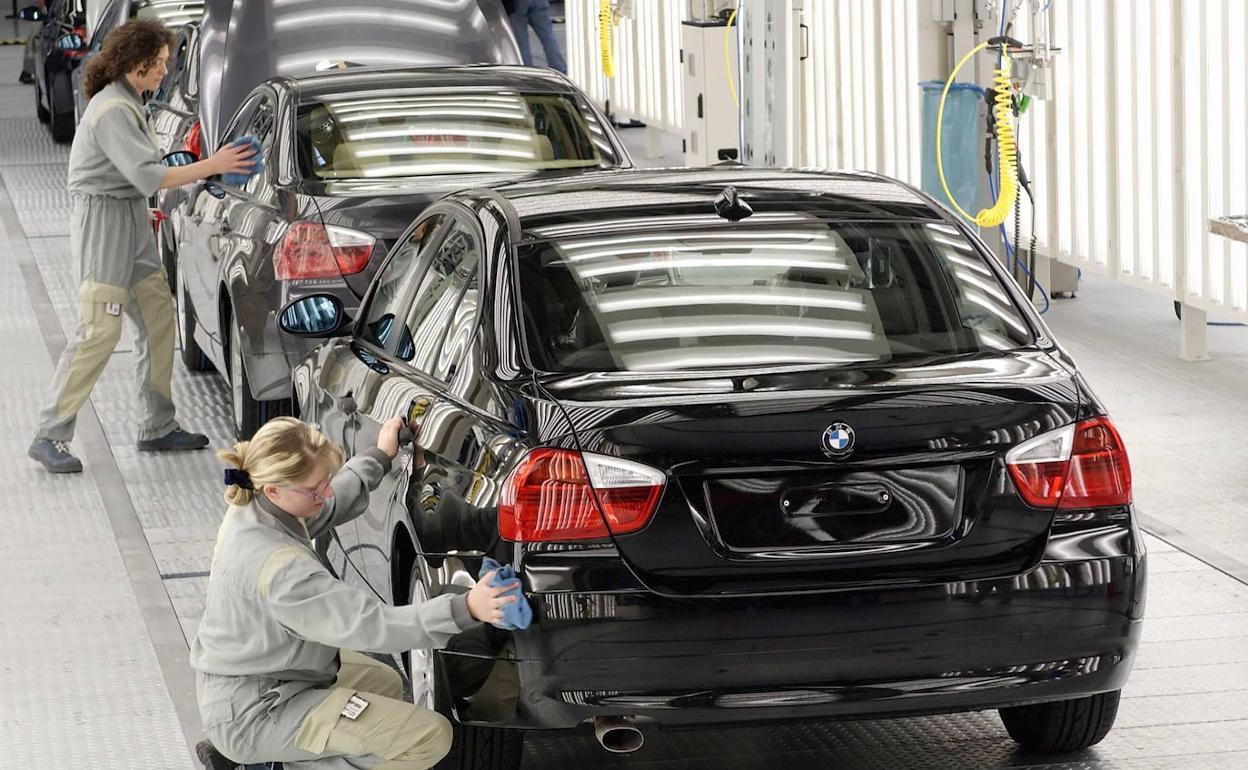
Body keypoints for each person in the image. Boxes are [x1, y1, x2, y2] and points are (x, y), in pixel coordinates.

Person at [191, 416, 520, 770]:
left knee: (383, 682)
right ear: (274, 489)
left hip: (268, 671)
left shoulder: (257, 506)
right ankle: (265, 760)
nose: (326, 493)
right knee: (429, 737)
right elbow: (373, 626)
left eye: (325, 481)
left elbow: (331, 504)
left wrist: (380, 455)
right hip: (258, 710)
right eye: (315, 489)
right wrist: (465, 608)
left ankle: (263, 761)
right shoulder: (282, 570)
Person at [28, 19, 256, 473]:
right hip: (105, 226)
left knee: (157, 320)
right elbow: (150, 177)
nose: (165, 71)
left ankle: (157, 424)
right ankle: (49, 433)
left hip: (130, 217)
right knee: (100, 330)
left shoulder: (132, 102)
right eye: (160, 63)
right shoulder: (112, 109)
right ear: (137, 64)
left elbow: (142, 173)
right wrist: (214, 164)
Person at [505, 0, 567, 74]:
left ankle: (527, 71)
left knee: (522, 42)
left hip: (518, 3)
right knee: (548, 36)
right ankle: (559, 67)